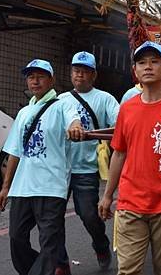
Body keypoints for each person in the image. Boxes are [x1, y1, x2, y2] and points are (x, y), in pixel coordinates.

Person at [97, 41, 161, 275]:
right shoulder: (127, 109)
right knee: (127, 271)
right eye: (142, 62)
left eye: (154, 61)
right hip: (131, 202)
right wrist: (108, 195)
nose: (148, 67)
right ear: (135, 71)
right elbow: (119, 153)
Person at [0, 59, 83, 275]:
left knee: (50, 242)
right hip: (22, 188)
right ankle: (50, 269)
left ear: (51, 80)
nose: (35, 81)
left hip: (51, 186)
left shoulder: (62, 104)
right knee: (16, 237)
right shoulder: (24, 112)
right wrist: (6, 187)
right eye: (31, 76)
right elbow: (14, 151)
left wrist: (75, 126)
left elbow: (74, 120)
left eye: (40, 76)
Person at [56, 52, 119, 273]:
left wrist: (92, 134)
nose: (79, 75)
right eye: (76, 71)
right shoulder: (60, 100)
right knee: (53, 220)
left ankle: (100, 245)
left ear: (93, 75)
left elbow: (120, 129)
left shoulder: (105, 99)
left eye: (84, 71)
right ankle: (60, 264)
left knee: (89, 215)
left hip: (87, 169)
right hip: (59, 170)